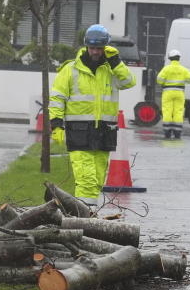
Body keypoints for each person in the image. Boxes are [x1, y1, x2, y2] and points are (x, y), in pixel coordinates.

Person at [48, 24, 136, 207]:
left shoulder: (112, 69)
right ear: (86, 46)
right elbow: (57, 97)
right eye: (92, 47)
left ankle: (88, 216)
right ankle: (84, 217)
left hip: (104, 132)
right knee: (86, 180)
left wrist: (116, 62)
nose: (95, 52)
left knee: (97, 181)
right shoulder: (70, 69)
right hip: (79, 132)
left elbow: (129, 82)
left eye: (99, 48)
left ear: (105, 47)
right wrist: (56, 124)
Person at [156, 48, 190, 140]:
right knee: (178, 111)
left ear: (170, 58)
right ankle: (177, 133)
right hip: (179, 92)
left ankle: (167, 132)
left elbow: (159, 80)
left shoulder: (166, 69)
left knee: (167, 111)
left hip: (168, 92)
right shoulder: (183, 69)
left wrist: (164, 83)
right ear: (179, 58)